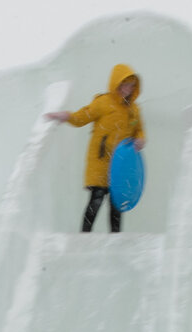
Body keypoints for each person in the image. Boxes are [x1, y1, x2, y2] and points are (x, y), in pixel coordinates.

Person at [45, 63, 147, 233]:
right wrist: (66, 116)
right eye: (124, 84)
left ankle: (115, 239)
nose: (127, 89)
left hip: (121, 164)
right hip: (101, 161)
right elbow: (82, 117)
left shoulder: (134, 110)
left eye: (131, 85)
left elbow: (139, 130)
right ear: (116, 84)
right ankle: (84, 236)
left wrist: (141, 140)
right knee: (96, 199)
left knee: (117, 205)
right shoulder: (103, 103)